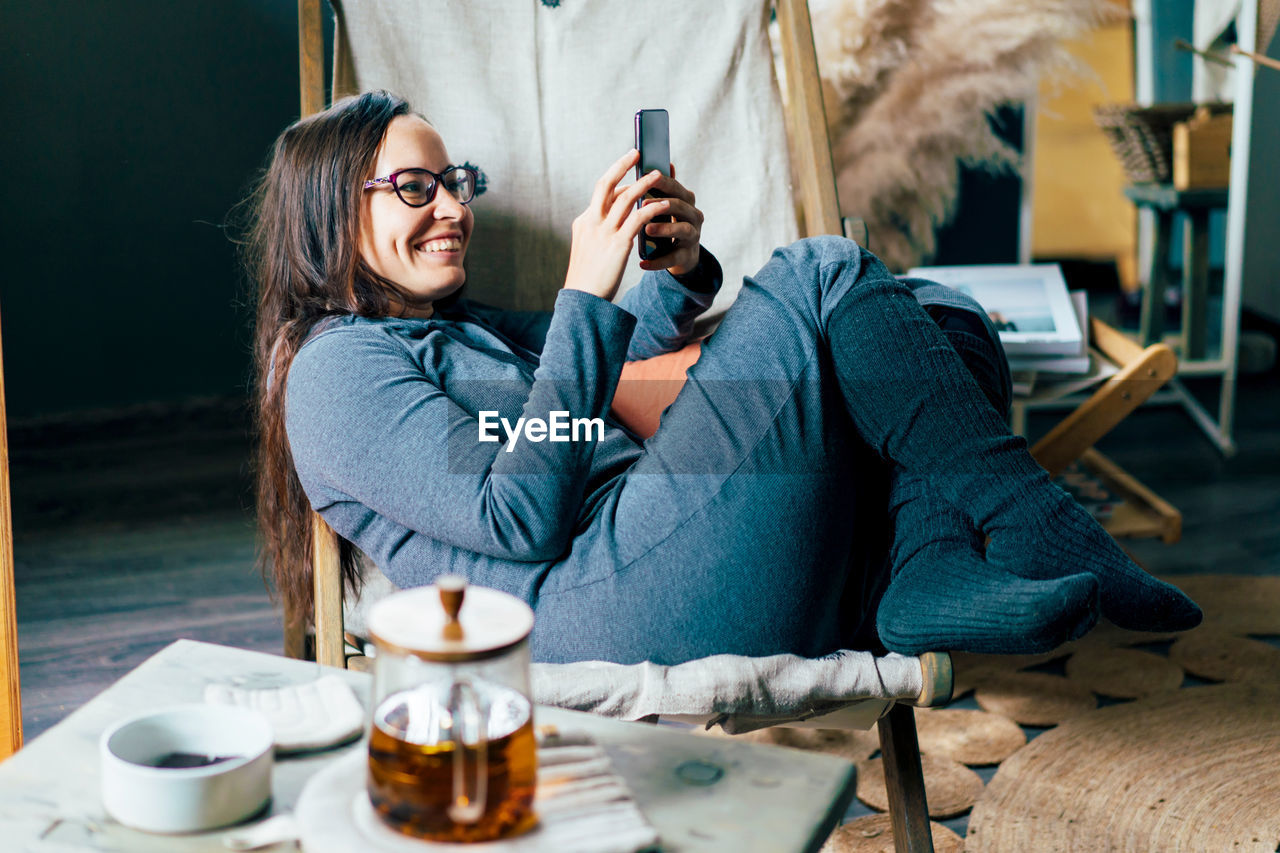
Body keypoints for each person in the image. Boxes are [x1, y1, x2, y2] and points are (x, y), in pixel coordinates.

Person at [248, 91, 1200, 666]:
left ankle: (919, 571)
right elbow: (517, 516)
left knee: (942, 314)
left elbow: (600, 376)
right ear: (330, 210)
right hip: (599, 597)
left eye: (455, 181)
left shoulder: (450, 326)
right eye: (417, 187)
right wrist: (584, 288)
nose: (451, 206)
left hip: (671, 530)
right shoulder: (334, 376)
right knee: (821, 271)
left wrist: (677, 269)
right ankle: (1037, 520)